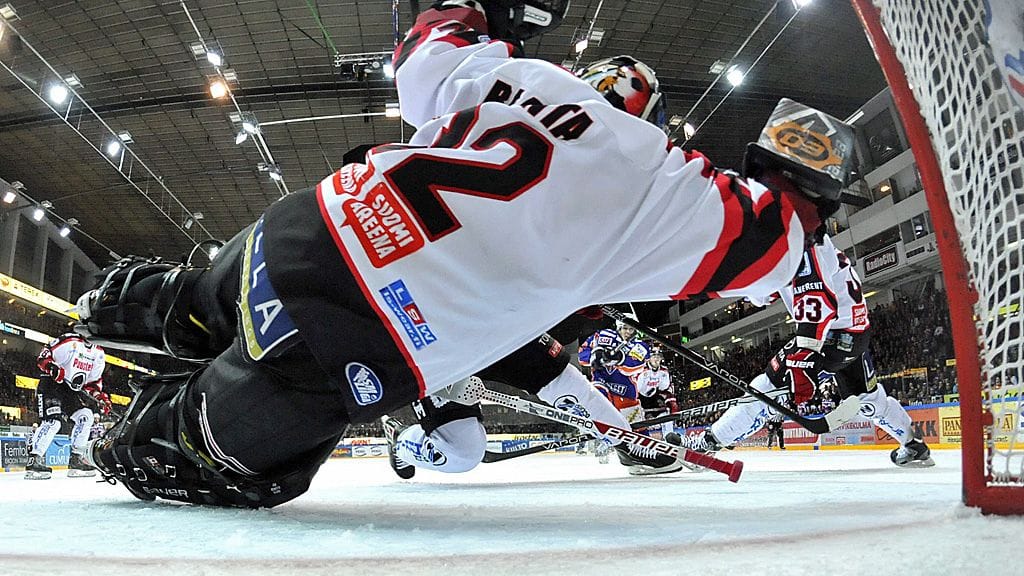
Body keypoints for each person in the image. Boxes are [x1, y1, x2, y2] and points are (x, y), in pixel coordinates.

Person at [72, 0, 835, 508]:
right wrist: (800, 170)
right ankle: (127, 435)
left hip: (296, 233)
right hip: (353, 343)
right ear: (657, 119)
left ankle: (135, 300)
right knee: (188, 457)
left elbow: (428, 36)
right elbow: (782, 241)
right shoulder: (664, 189)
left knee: (196, 301)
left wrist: (489, 9)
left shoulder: (521, 76)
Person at [687, 236, 933, 467]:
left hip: (828, 335)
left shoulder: (799, 241)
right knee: (868, 399)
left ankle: (707, 445)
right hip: (855, 333)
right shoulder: (800, 235)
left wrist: (804, 354)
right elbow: (766, 293)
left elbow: (818, 300)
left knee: (766, 390)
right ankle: (914, 445)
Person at [24, 334, 111, 480]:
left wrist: (100, 397)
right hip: (51, 384)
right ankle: (34, 459)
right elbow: (44, 356)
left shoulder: (99, 354)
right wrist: (52, 367)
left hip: (69, 390)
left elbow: (91, 384)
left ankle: (76, 459)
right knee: (53, 421)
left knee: (86, 416)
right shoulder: (71, 341)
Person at [636, 348, 677, 440]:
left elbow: (665, 388)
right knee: (636, 420)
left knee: (666, 415)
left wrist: (671, 401)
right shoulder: (641, 370)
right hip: (639, 398)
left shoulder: (664, 371)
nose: (656, 359)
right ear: (648, 358)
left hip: (654, 397)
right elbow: (635, 388)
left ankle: (670, 439)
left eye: (658, 357)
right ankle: (639, 442)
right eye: (654, 356)